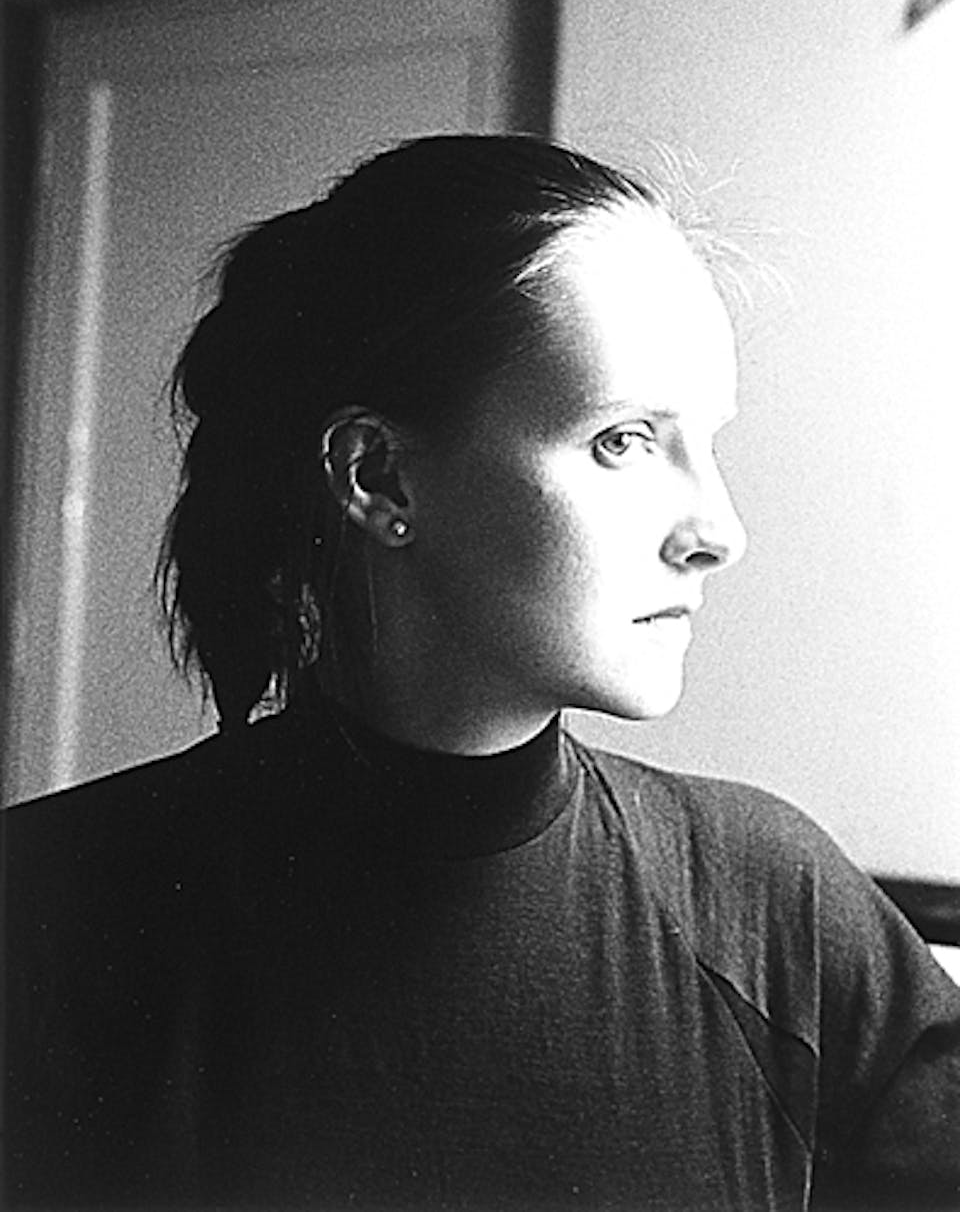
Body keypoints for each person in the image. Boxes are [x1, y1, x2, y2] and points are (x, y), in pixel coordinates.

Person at [3, 134, 958, 1211]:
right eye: (623, 441)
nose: (717, 533)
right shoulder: (46, 922)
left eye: (706, 441)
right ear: (380, 475)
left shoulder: (780, 913)